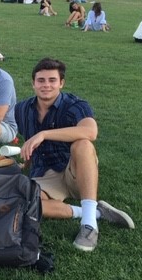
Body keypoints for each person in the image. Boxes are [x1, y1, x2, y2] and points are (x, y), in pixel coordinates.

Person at [15, 58, 135, 251]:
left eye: (52, 80)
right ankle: (95, 213)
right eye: (41, 80)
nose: (46, 85)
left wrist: (44, 134)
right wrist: (26, 163)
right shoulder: (22, 109)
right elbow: (30, 141)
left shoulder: (74, 104)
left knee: (82, 145)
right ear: (33, 83)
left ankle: (89, 226)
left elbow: (91, 132)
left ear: (61, 83)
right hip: (46, 172)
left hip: (74, 170)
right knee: (27, 204)